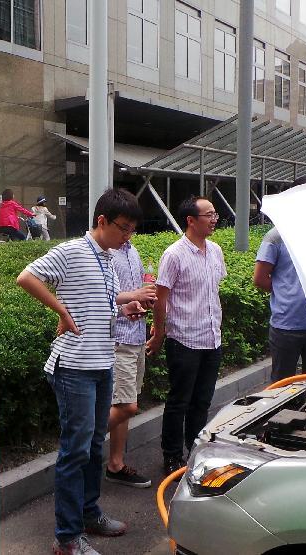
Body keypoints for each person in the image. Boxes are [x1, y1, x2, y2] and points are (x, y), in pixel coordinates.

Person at [16, 188, 148, 555]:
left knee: (92, 446)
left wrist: (125, 309)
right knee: (75, 451)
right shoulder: (72, 250)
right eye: (123, 229)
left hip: (102, 362)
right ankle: (67, 537)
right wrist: (61, 311)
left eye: (131, 231)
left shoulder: (105, 257)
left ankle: (90, 515)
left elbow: (97, 305)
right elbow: (26, 277)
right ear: (101, 221)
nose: (127, 237)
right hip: (74, 366)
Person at [147, 196, 226, 476]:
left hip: (211, 338)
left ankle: (195, 451)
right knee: (180, 400)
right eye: (209, 215)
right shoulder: (174, 254)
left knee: (202, 400)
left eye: (215, 213)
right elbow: (160, 298)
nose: (214, 218)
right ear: (191, 220)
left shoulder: (216, 250)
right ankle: (171, 456)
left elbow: (213, 292)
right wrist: (159, 333)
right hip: (184, 340)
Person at [253, 176, 306, 384]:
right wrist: (286, 291)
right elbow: (260, 278)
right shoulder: (277, 236)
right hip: (286, 325)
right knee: (281, 384)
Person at [105, 240, 156, 488]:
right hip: (119, 339)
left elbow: (129, 295)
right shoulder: (105, 253)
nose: (129, 231)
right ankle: (80, 445)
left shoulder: (132, 251)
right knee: (127, 406)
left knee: (125, 403)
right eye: (125, 225)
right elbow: (101, 298)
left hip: (136, 335)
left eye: (132, 226)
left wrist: (140, 301)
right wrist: (131, 300)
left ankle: (115, 464)